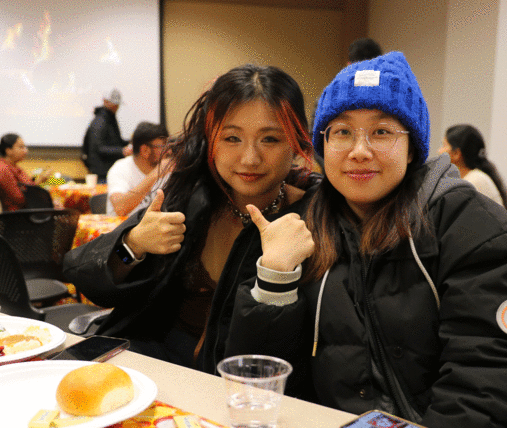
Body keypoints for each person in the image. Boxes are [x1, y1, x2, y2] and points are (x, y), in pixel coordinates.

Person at [222, 52, 507, 428]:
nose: (359, 151)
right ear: (321, 146)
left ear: (412, 148)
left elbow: (494, 373)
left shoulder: (472, 226)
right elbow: (258, 376)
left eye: (382, 132)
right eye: (342, 132)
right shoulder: (303, 229)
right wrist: (275, 278)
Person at [63, 63, 321, 369]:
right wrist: (133, 244)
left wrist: (277, 276)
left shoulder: (312, 221)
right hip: (148, 363)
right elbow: (83, 275)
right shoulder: (191, 197)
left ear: (296, 143)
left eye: (270, 139)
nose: (250, 158)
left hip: (229, 385)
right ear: (211, 141)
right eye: (232, 138)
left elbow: (288, 360)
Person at [439, 124, 507, 210]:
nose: (439, 151)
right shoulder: (468, 179)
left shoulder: (475, 181)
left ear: (456, 154)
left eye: (444, 146)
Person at [106, 122, 169, 217]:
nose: (168, 151)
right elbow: (120, 208)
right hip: (122, 229)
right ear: (145, 150)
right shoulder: (120, 168)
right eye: (163, 146)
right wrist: (155, 174)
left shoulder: (167, 169)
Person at [0, 133, 52, 211]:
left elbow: (29, 187)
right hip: (20, 216)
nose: (26, 151)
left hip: (28, 212)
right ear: (8, 151)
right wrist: (40, 181)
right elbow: (22, 200)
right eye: (21, 147)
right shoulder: (3, 171)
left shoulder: (14, 167)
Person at [82, 89, 132, 182]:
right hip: (102, 173)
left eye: (117, 104)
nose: (116, 107)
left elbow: (115, 141)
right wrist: (122, 151)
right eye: (114, 104)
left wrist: (129, 143)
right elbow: (99, 148)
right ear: (105, 101)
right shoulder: (100, 122)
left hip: (108, 171)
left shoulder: (109, 119)